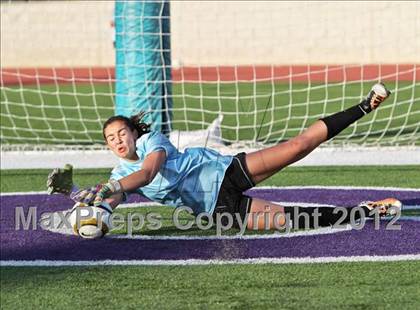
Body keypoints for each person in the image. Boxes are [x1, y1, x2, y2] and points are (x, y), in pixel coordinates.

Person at [47, 83, 401, 233]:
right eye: (110, 139)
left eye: (122, 132)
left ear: (134, 133)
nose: (117, 140)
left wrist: (108, 185)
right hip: (218, 210)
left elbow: (149, 173)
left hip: (227, 173)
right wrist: (74, 193)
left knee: (297, 146)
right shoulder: (119, 172)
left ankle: (363, 106)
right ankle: (367, 210)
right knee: (298, 219)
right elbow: (107, 204)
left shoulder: (152, 141)